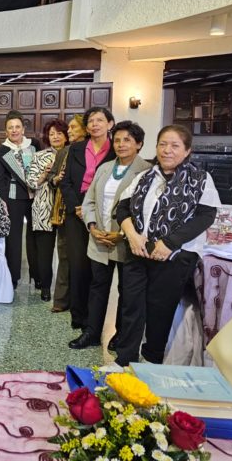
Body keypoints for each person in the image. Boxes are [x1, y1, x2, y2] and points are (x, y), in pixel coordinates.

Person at [114, 125, 220, 366]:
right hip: (139, 250)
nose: (167, 150)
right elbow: (122, 208)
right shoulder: (145, 176)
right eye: (163, 144)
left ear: (187, 151)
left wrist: (169, 243)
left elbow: (205, 216)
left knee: (160, 309)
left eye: (175, 146)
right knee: (131, 306)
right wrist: (132, 235)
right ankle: (125, 358)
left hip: (176, 255)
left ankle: (152, 359)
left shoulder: (200, 179)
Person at [69, 121, 150, 351]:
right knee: (97, 287)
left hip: (126, 241)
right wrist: (92, 226)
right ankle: (92, 332)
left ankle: (120, 335)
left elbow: (145, 210)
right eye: (117, 140)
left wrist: (122, 234)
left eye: (127, 140)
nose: (121, 144)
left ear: (139, 144)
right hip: (99, 238)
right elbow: (90, 201)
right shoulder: (105, 168)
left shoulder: (146, 171)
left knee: (127, 290)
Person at [60, 106, 115, 330]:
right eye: (91, 121)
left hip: (104, 209)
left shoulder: (116, 150)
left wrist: (92, 208)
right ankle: (78, 315)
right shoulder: (76, 148)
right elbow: (66, 181)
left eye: (99, 120)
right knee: (78, 264)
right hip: (77, 209)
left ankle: (95, 320)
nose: (94, 124)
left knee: (98, 267)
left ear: (109, 124)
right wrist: (77, 206)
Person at [0, 110, 41, 289]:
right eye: (10, 128)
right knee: (13, 239)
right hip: (13, 198)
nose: (14, 131)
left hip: (35, 197)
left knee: (35, 236)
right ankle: (12, 277)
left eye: (17, 127)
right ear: (6, 131)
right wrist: (3, 201)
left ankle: (38, 276)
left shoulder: (34, 144)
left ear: (23, 128)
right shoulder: (2, 149)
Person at [26, 119, 69, 302]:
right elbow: (31, 182)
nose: (55, 137)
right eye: (51, 134)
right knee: (44, 251)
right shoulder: (40, 156)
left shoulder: (73, 153)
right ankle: (45, 286)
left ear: (66, 135)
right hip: (44, 207)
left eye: (59, 133)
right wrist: (45, 172)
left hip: (66, 209)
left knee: (67, 252)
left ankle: (67, 289)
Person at [49, 115, 87, 312]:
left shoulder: (91, 151)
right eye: (69, 128)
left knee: (83, 259)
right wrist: (57, 178)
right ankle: (61, 300)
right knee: (64, 254)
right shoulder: (64, 151)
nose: (69, 131)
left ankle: (79, 300)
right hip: (64, 209)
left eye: (73, 128)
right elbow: (52, 179)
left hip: (87, 210)